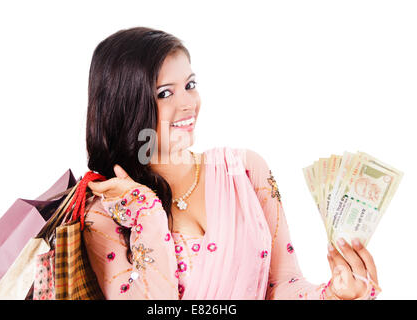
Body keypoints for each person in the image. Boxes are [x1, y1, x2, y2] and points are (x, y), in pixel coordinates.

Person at [82, 26, 380, 300]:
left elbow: (283, 284)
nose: (188, 103)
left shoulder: (244, 170)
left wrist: (335, 294)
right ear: (125, 105)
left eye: (190, 84)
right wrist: (147, 213)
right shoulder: (108, 211)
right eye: (164, 93)